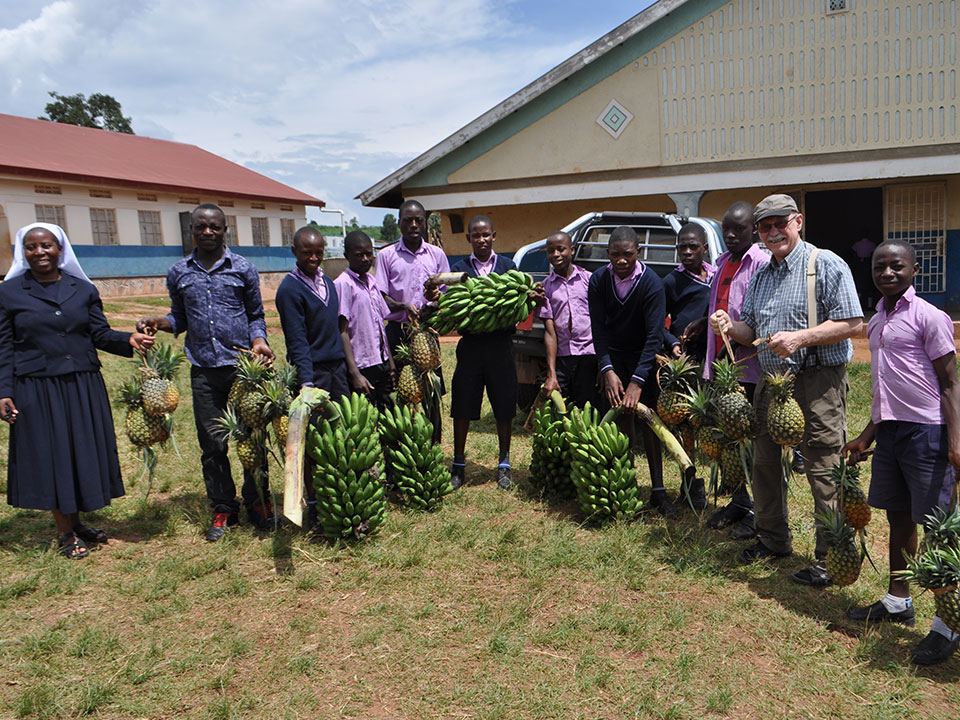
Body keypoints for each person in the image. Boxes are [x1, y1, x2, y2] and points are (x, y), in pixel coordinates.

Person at [710, 194, 863, 585]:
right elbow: (753, 332)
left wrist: (801, 339)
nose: (774, 231)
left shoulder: (824, 264)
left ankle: (829, 558)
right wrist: (731, 326)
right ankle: (773, 539)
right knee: (764, 464)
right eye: (765, 226)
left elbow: (851, 323)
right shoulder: (762, 274)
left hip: (816, 382)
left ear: (798, 221)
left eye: (781, 223)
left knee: (823, 468)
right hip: (771, 383)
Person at [0, 223, 154, 558]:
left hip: (82, 383)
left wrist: (127, 338)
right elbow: (4, 347)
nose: (39, 252)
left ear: (61, 249)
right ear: (22, 252)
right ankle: (65, 532)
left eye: (47, 245)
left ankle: (77, 521)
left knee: (80, 451)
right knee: (52, 455)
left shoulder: (82, 289)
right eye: (31, 247)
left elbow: (98, 334)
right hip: (37, 386)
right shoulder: (9, 293)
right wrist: (4, 391)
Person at [843, 240, 960, 666]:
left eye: (897, 266)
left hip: (928, 432)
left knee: (938, 531)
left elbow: (949, 383)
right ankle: (898, 601)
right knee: (897, 517)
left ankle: (948, 626)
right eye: (880, 266)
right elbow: (887, 390)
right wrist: (866, 435)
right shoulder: (876, 321)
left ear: (913, 270)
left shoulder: (930, 316)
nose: (887, 273)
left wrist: (955, 441)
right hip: (890, 434)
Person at [137, 204, 275, 542]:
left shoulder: (243, 268)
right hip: (204, 370)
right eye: (201, 227)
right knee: (213, 445)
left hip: (243, 371)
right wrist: (159, 322)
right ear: (192, 230)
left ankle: (258, 501)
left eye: (214, 227)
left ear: (225, 229)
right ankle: (223, 507)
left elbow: (256, 314)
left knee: (251, 439)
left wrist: (259, 340)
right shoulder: (179, 272)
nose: (208, 232)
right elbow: (179, 318)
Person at [588, 226, 675, 518]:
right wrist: (607, 368)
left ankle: (659, 490)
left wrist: (638, 380)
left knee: (649, 421)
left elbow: (654, 335)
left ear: (638, 252)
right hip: (613, 358)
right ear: (607, 254)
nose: (621, 260)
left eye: (627, 254)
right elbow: (597, 329)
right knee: (618, 421)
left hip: (643, 358)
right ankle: (625, 485)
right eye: (615, 254)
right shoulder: (599, 280)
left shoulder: (652, 283)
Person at [696, 201, 770, 538]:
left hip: (750, 369)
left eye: (737, 229)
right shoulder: (721, 263)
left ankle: (760, 511)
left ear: (753, 229)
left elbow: (757, 319)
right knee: (727, 442)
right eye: (726, 228)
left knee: (752, 444)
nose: (729, 234)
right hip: (720, 365)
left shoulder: (762, 263)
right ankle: (740, 501)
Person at [449, 215, 518, 490]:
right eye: (475, 235)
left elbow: (516, 308)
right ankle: (458, 464)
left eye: (485, 234)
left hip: (501, 345)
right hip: (471, 346)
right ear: (468, 239)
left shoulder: (508, 267)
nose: (481, 240)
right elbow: (452, 307)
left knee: (504, 405)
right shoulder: (459, 269)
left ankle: (504, 463)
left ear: (494, 236)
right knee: (462, 404)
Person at [374, 199, 450, 357]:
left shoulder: (437, 255)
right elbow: (381, 296)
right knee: (397, 380)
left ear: (425, 224)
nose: (414, 225)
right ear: (399, 223)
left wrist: (433, 303)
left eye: (419, 220)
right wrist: (403, 306)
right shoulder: (386, 256)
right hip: (398, 331)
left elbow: (447, 294)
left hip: (428, 328)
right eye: (408, 220)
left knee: (432, 379)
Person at [334, 230, 393, 410]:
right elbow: (342, 331)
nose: (366, 259)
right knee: (366, 417)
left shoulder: (372, 281)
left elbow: (381, 325)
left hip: (380, 360)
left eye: (369, 254)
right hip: (362, 365)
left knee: (387, 412)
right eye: (359, 255)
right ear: (347, 256)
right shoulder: (343, 284)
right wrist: (354, 373)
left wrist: (389, 361)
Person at [537, 231, 596, 408]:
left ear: (572, 250)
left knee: (589, 408)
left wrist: (603, 365)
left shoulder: (588, 280)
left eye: (561, 249)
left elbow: (601, 323)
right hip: (562, 357)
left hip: (588, 356)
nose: (555, 255)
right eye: (550, 251)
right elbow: (549, 331)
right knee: (563, 408)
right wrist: (551, 373)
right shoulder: (546, 287)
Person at [662, 223, 715, 362]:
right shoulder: (672, 281)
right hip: (685, 355)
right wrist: (673, 343)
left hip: (715, 353)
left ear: (705, 248)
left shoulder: (717, 277)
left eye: (693, 247)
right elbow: (656, 322)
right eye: (682, 247)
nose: (687, 252)